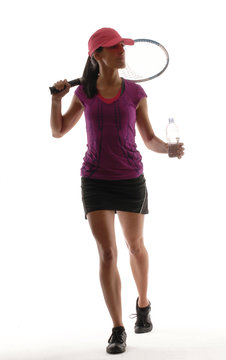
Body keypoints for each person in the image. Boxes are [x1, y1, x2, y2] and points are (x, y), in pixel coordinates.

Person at [50, 27, 185, 355]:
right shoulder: (85, 94)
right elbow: (58, 131)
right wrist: (57, 99)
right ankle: (117, 329)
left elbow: (149, 138)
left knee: (135, 246)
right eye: (115, 48)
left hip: (129, 179)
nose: (123, 52)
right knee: (107, 253)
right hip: (94, 180)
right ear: (98, 56)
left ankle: (143, 304)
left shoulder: (135, 93)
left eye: (123, 47)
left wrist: (167, 149)